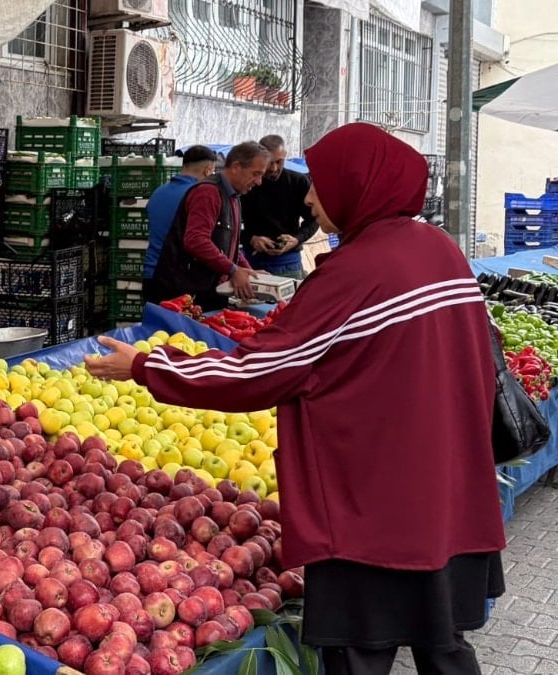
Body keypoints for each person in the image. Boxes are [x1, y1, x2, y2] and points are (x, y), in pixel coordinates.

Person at [85, 123, 505, 675]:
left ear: (357, 186)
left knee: (360, 653)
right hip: (447, 491)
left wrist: (146, 365)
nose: (308, 199)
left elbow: (260, 371)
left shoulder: (358, 272)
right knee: (443, 643)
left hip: (374, 508)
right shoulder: (439, 250)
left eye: (321, 185)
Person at [146, 141, 270, 312]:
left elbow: (230, 247)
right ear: (236, 167)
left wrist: (249, 273)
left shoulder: (233, 197)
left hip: (206, 292)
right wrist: (233, 270)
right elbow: (196, 240)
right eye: (256, 174)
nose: (259, 181)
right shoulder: (208, 192)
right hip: (183, 293)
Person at [142, 145, 218, 299]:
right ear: (207, 170)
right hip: (178, 279)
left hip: (151, 274)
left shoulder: (158, 192)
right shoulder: (198, 196)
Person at [240, 134, 319, 279]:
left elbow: (314, 219)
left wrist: (296, 239)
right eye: (269, 163)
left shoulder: (298, 182)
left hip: (288, 261)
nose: (274, 168)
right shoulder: (246, 183)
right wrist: (251, 239)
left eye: (279, 162)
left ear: (285, 156)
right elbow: (230, 224)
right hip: (252, 260)